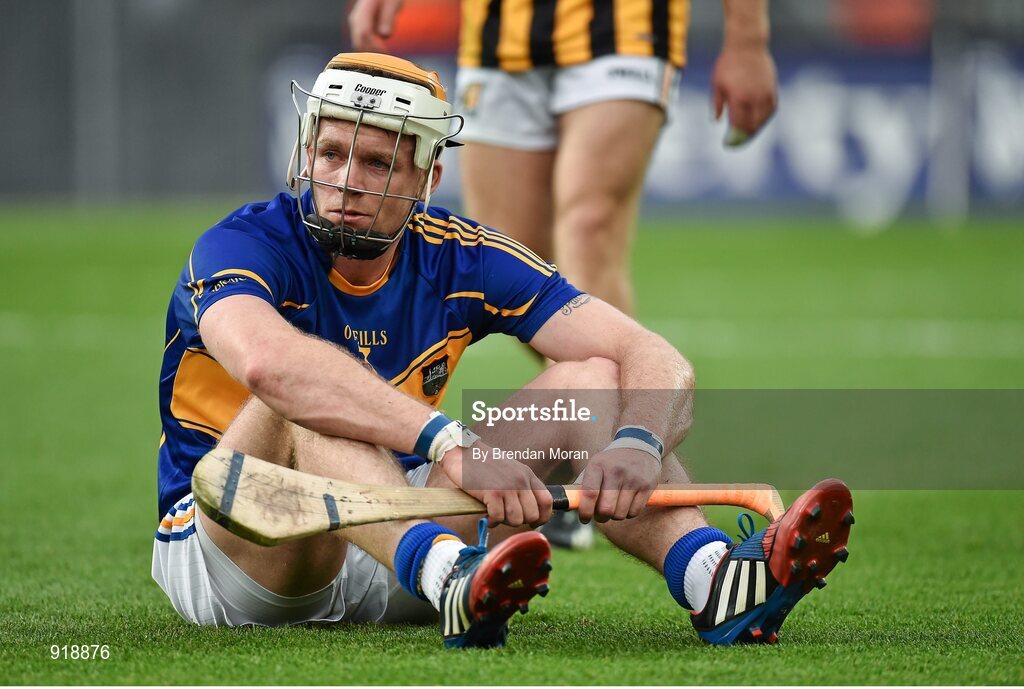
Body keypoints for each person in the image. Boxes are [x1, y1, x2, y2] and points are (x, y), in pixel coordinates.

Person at [151, 53, 850, 648]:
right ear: (306, 153)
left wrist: (637, 439)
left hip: (392, 543)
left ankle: (713, 579)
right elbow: (271, 366)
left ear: (427, 178)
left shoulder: (463, 254)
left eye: (376, 162)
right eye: (331, 154)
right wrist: (451, 440)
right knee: (306, 390)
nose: (345, 184)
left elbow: (650, 353)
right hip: (235, 550)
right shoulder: (243, 243)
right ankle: (449, 573)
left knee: (592, 379)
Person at [349, 0, 778, 548]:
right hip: (500, 27)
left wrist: (747, 40)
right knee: (513, 262)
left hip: (626, 21)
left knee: (590, 220)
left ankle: (620, 451)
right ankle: (583, 446)